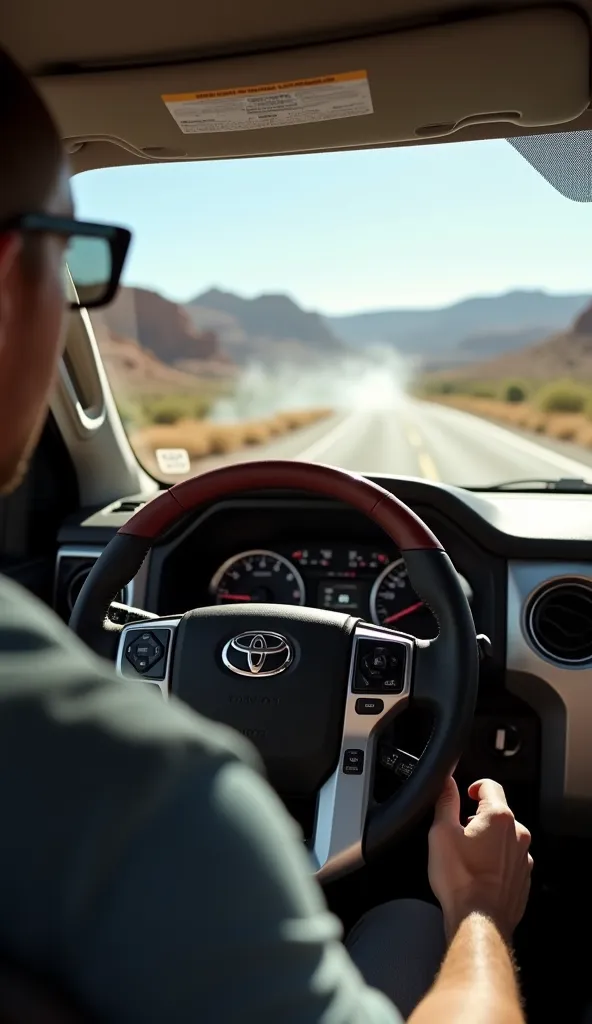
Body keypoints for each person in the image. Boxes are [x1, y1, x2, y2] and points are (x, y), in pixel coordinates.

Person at [0, 45, 532, 1023]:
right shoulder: (141, 786)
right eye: (65, 256)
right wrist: (480, 912)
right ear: (9, 280)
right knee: (410, 922)